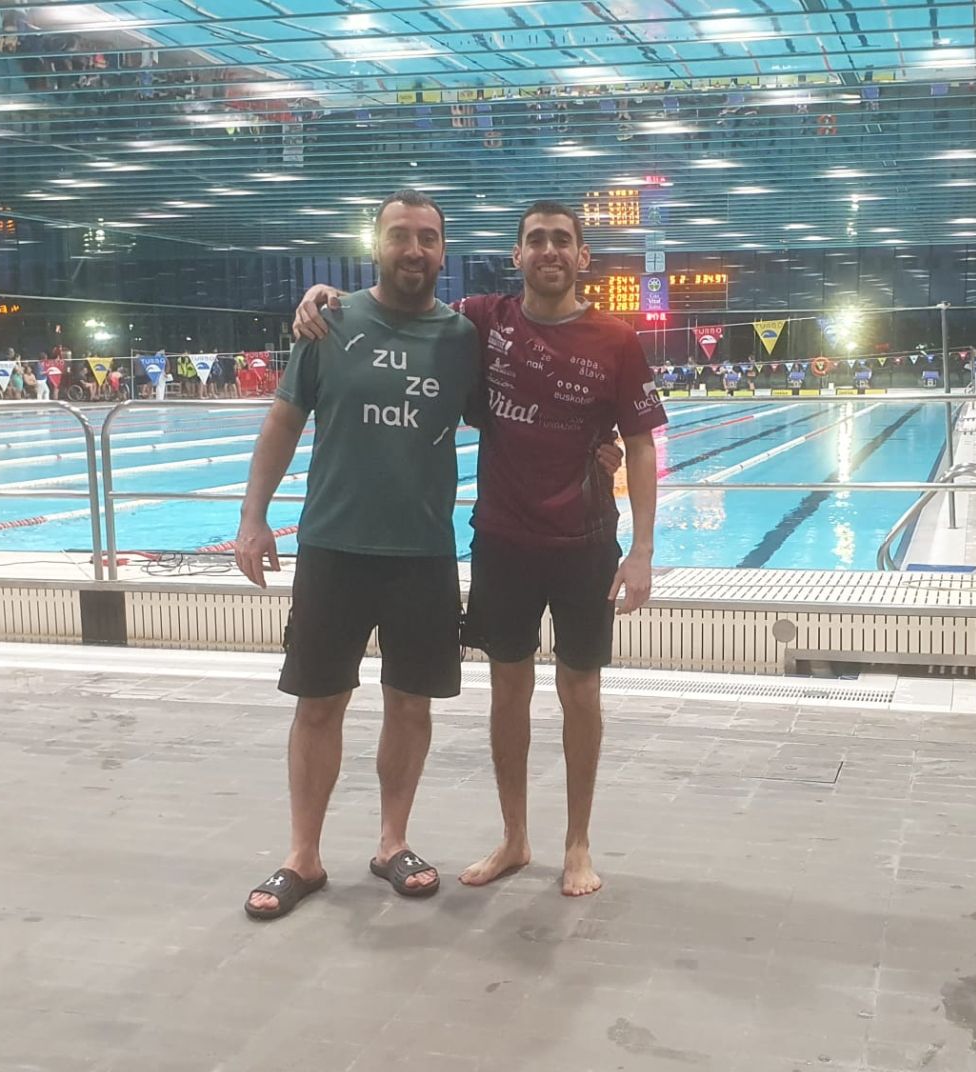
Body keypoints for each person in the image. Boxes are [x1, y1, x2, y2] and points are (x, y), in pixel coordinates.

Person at [294, 200, 664, 898]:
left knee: (581, 691)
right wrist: (327, 298)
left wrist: (641, 550)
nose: (549, 251)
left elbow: (640, 447)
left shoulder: (615, 339)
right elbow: (400, 303)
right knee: (508, 691)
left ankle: (577, 843)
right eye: (536, 241)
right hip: (501, 539)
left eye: (563, 241)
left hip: (585, 543)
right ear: (516, 256)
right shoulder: (484, 320)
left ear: (582, 257)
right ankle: (515, 837)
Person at [234, 190, 480, 921]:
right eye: (400, 236)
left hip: (423, 550)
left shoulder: (463, 337)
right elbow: (282, 423)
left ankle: (392, 843)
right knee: (319, 704)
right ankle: (301, 857)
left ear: (443, 251)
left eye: (427, 238)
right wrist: (253, 519)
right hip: (333, 546)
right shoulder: (332, 322)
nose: (414, 250)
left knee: (411, 703)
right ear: (376, 245)